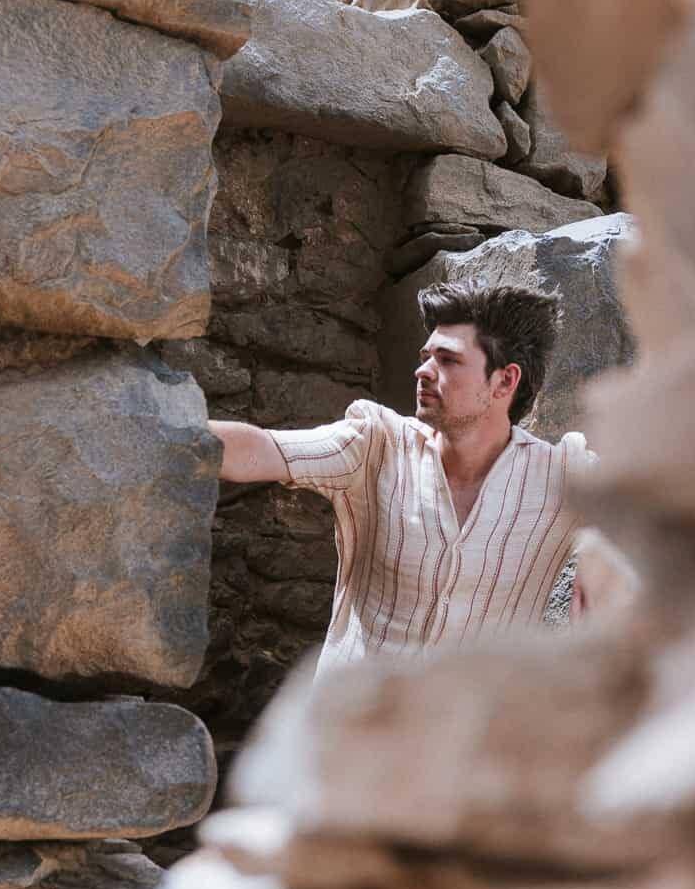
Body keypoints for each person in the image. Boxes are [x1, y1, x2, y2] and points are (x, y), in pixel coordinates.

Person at [210, 280, 598, 675]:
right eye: (426, 355)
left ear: (504, 381)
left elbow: (649, 512)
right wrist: (171, 431)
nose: (423, 370)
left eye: (447, 360)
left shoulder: (562, 474)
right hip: (354, 723)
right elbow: (264, 449)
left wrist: (602, 553)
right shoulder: (376, 444)